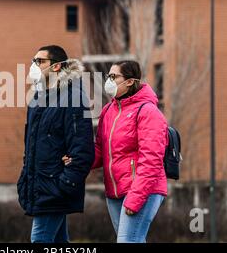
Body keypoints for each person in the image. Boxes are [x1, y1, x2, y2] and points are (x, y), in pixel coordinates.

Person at [63, 60, 168, 243]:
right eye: (108, 76)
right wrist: (77, 158)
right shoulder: (108, 111)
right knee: (133, 240)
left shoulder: (148, 111)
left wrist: (135, 197)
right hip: (115, 191)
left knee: (128, 241)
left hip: (142, 190)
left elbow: (151, 160)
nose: (109, 81)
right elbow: (100, 150)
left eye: (114, 76)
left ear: (129, 81)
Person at [17, 45, 94, 243]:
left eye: (40, 61)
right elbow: (31, 147)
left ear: (57, 67)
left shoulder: (73, 97)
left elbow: (82, 150)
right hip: (39, 185)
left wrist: (64, 184)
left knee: (40, 240)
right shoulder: (36, 99)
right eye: (33, 61)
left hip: (54, 187)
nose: (34, 66)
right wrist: (24, 177)